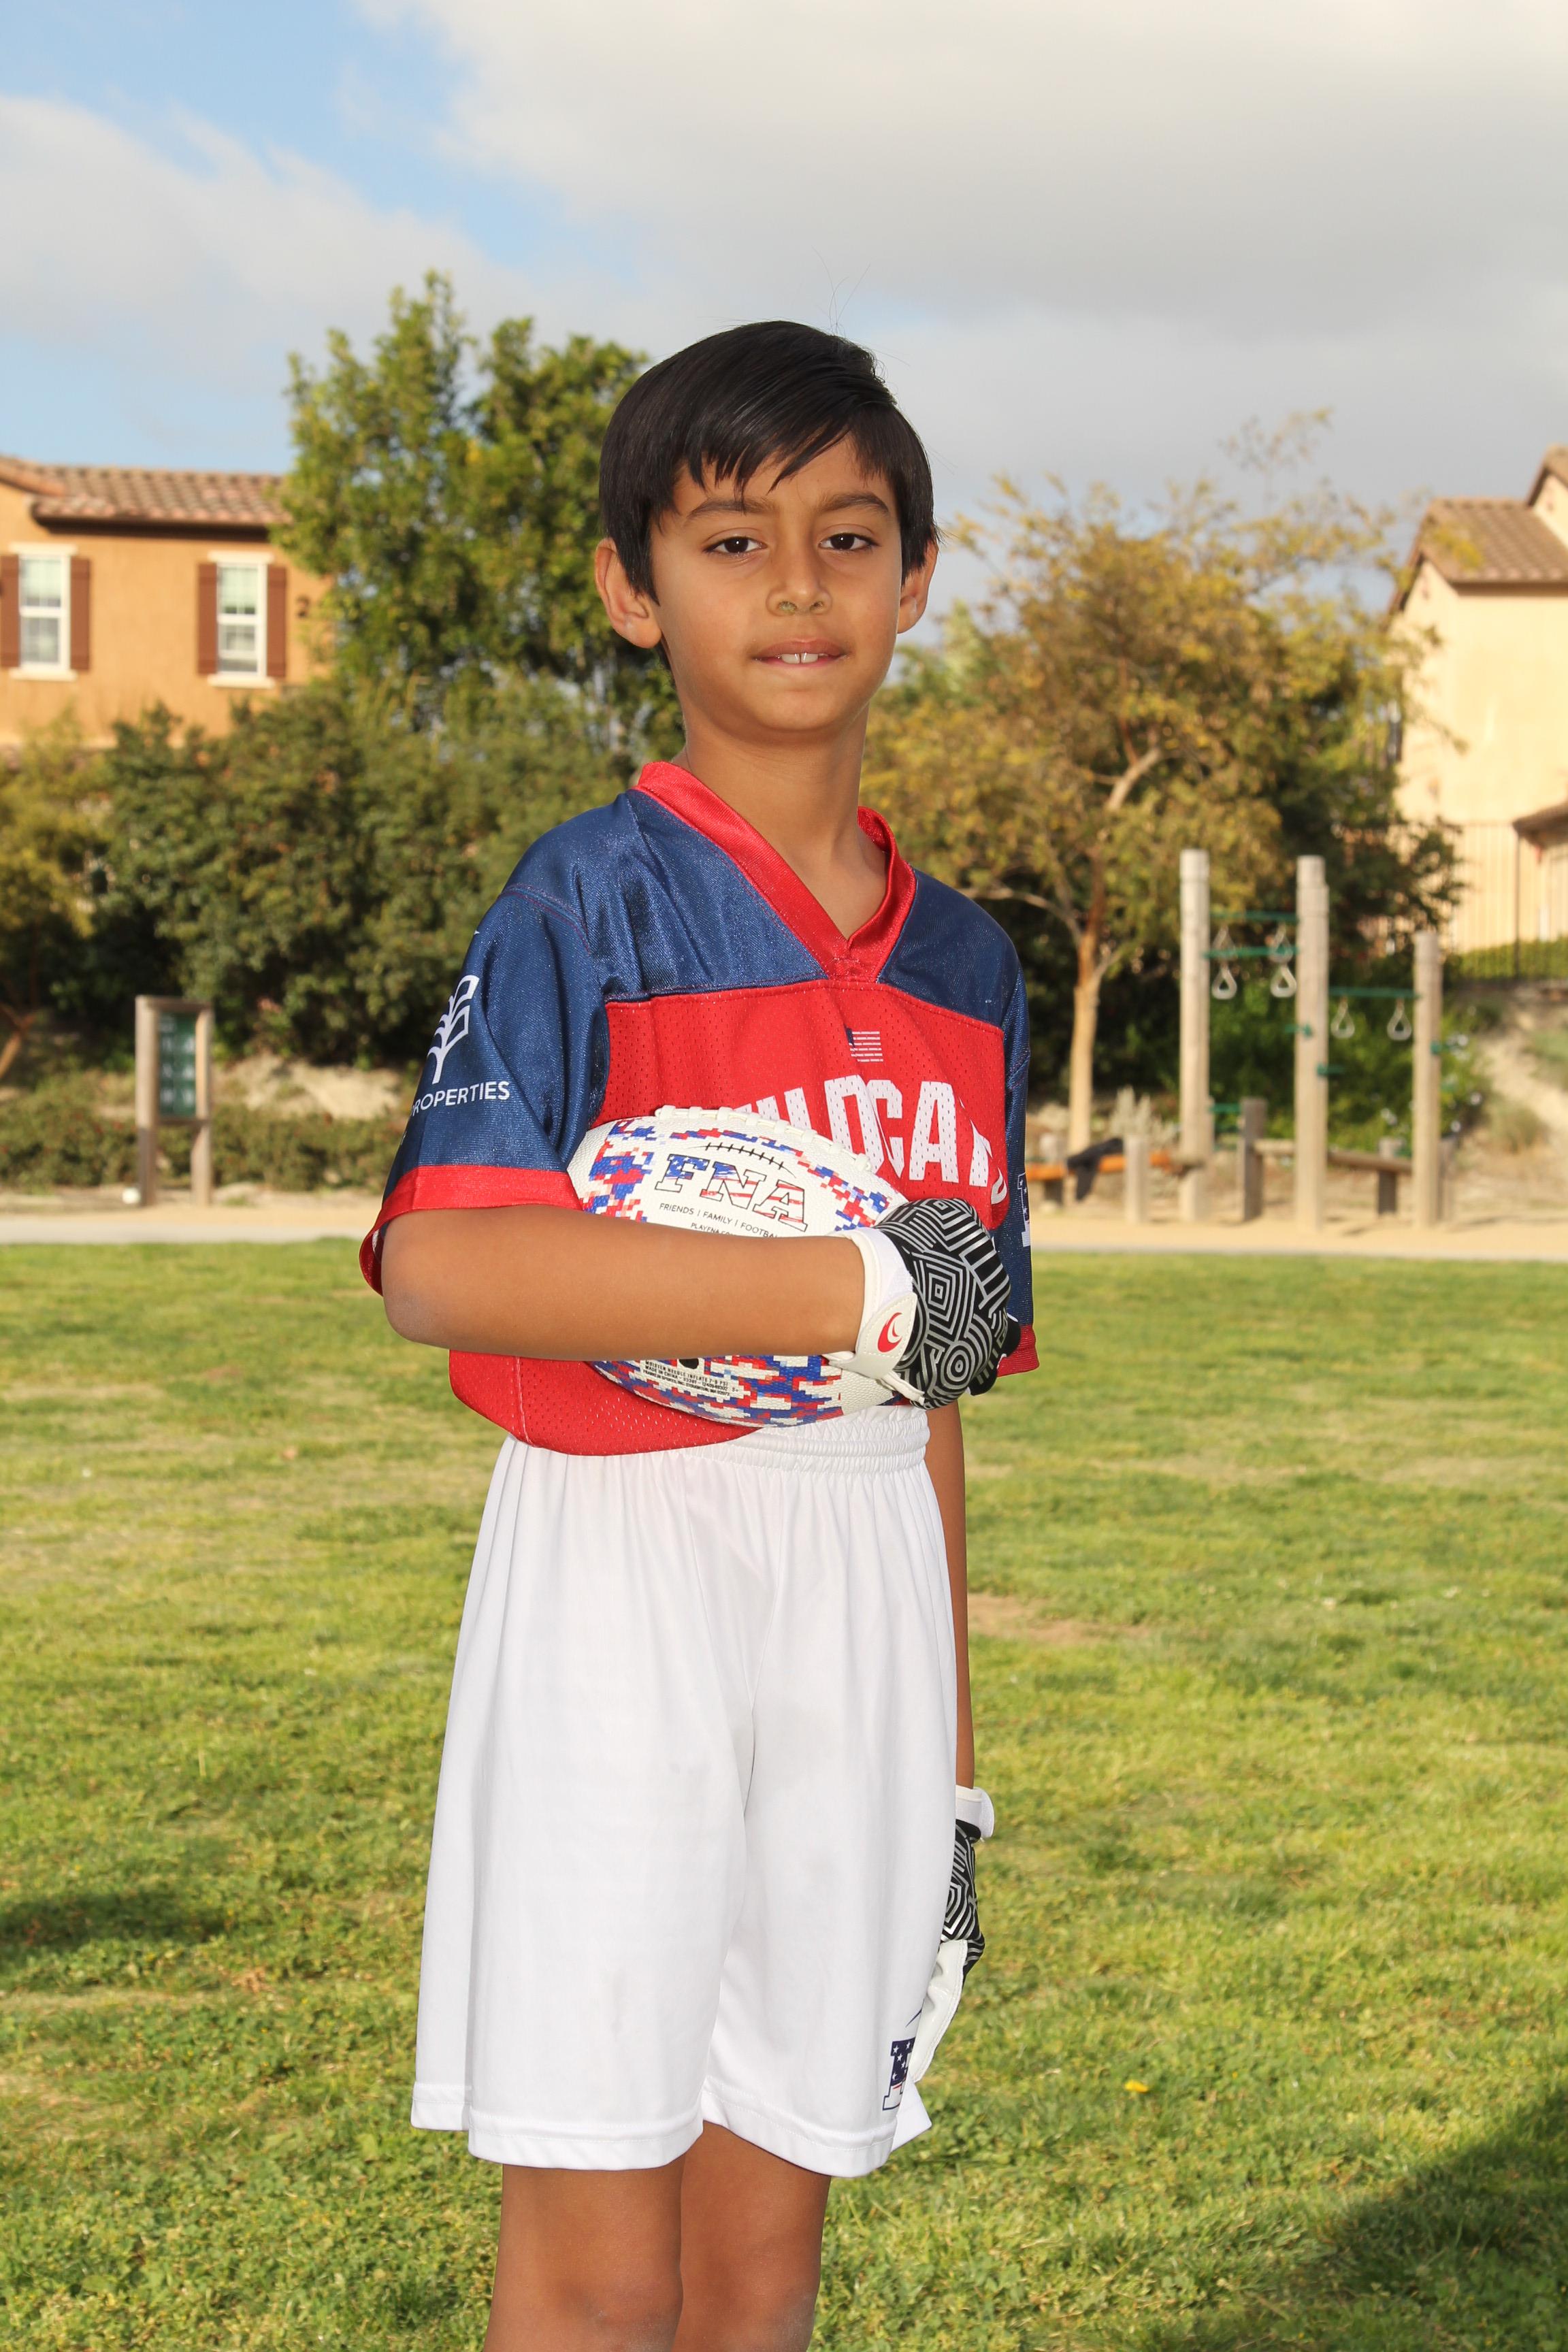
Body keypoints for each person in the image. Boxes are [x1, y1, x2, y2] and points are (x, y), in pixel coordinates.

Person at [366, 319, 1037, 2352]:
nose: (799, 585)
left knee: (765, 2248)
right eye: (734, 540)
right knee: (603, 2253)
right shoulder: (584, 902)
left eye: (849, 536)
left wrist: (953, 1776)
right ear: (631, 587)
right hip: (629, 1557)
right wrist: (843, 1285)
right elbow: (447, 1262)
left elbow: (939, 1377)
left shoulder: (969, 964)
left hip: (864, 1567)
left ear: (917, 576)